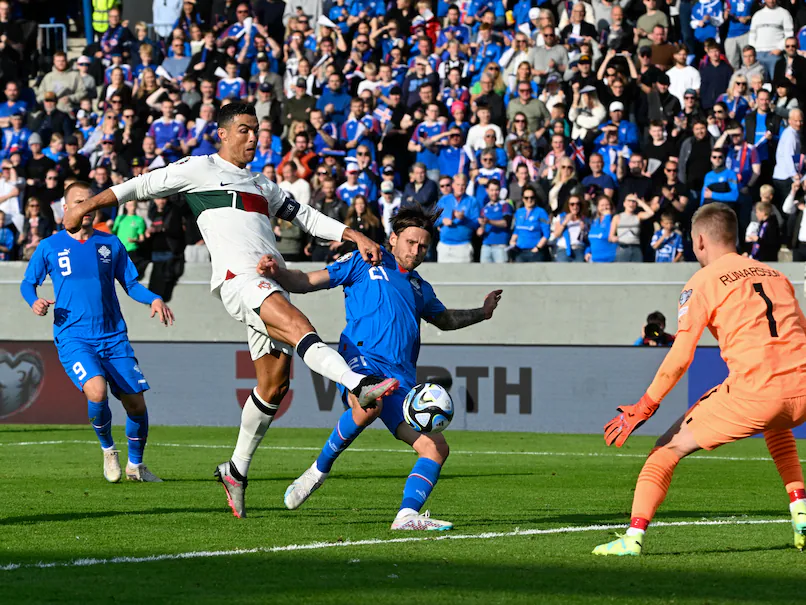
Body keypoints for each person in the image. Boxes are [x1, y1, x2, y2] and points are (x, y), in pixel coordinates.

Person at [62, 102, 401, 519]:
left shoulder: (262, 184)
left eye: (256, 130)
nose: (253, 137)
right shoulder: (198, 168)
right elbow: (140, 185)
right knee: (299, 325)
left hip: (271, 280)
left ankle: (235, 470)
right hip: (238, 279)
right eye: (244, 129)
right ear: (221, 134)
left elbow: (308, 217)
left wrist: (353, 234)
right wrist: (86, 206)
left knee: (274, 386)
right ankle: (359, 383)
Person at [263, 205, 502, 530]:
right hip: (360, 360)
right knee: (369, 401)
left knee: (435, 448)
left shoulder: (420, 288)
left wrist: (483, 313)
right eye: (411, 242)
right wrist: (278, 273)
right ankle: (317, 471)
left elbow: (445, 320)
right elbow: (306, 281)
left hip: (399, 380)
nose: (416, 251)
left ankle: (406, 516)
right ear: (393, 239)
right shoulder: (365, 261)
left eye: (423, 247)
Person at [594, 202, 806, 555]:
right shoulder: (776, 276)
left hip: (756, 393)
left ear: (701, 241)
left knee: (664, 450)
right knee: (777, 425)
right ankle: (801, 514)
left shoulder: (702, 282)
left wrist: (645, 405)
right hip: (802, 387)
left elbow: (681, 356)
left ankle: (632, 539)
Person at [20, 182, 174, 483]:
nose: (87, 208)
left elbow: (130, 284)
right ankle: (108, 450)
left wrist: (154, 298)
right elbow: (28, 283)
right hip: (73, 336)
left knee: (136, 404)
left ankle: (136, 466)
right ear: (66, 209)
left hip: (113, 336)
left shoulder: (110, 243)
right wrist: (34, 301)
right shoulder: (50, 246)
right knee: (97, 391)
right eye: (79, 202)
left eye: (91, 202)